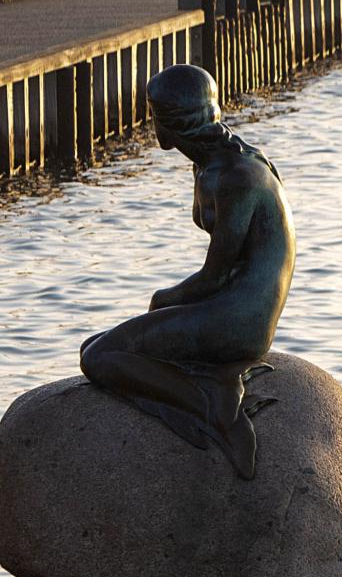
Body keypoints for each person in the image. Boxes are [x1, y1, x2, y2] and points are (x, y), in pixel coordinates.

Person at [79, 64, 295, 480]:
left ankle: (212, 405)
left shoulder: (233, 176)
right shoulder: (226, 157)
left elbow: (215, 277)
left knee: (101, 356)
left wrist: (162, 303)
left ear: (164, 126)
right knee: (102, 345)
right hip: (235, 304)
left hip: (243, 318)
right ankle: (208, 388)